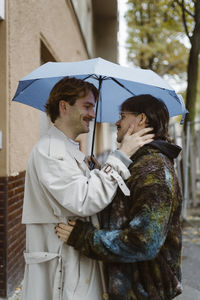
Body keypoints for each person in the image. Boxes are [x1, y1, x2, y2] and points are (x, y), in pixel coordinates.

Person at [21, 77, 154, 300]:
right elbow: (83, 200)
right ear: (64, 106)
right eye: (87, 106)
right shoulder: (51, 151)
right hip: (62, 269)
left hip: (75, 263)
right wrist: (120, 157)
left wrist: (94, 172)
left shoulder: (67, 148)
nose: (93, 114)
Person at [56, 94, 183, 300]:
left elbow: (143, 242)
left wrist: (84, 237)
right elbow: (122, 210)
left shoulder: (154, 170)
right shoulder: (139, 164)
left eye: (122, 116)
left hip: (145, 290)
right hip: (131, 288)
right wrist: (99, 174)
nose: (117, 122)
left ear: (141, 119)